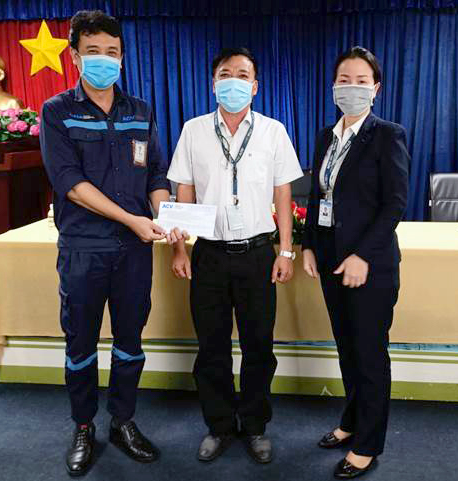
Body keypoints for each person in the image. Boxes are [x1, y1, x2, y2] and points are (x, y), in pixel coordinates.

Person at [40, 10, 182, 477]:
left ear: (122, 57)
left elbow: (156, 174)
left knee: (130, 341)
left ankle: (123, 421)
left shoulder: (139, 110)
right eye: (93, 51)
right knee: (80, 341)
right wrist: (133, 219)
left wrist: (165, 215)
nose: (104, 59)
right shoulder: (57, 111)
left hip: (134, 251)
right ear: (74, 55)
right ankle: (83, 426)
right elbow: (69, 183)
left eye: (112, 52)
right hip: (84, 248)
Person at [168, 47, 303, 464]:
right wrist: (179, 248)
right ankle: (220, 425)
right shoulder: (193, 130)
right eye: (225, 74)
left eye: (242, 75)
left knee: (258, 345)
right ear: (214, 83)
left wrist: (286, 251)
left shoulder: (273, 131)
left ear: (255, 86)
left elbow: (283, 194)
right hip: (208, 255)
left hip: (258, 255)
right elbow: (184, 190)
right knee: (211, 347)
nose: (234, 81)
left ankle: (256, 425)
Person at [302, 47, 409, 479]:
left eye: (362, 81)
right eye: (344, 79)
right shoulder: (326, 137)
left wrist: (363, 255)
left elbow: (394, 204)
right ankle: (351, 421)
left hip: (370, 265)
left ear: (376, 88)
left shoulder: (387, 135)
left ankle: (368, 443)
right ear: (333, 86)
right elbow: (317, 196)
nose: (352, 87)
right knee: (347, 349)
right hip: (331, 259)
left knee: (369, 354)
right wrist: (309, 245)